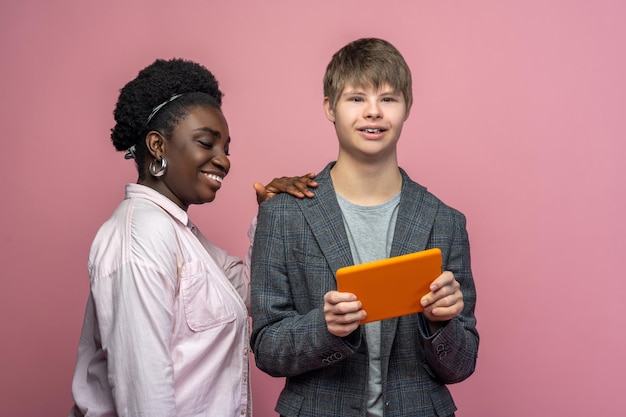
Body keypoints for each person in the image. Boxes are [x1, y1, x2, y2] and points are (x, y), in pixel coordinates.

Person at [68, 58, 316, 417]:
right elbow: (145, 398)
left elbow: (247, 291)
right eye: (206, 143)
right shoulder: (141, 236)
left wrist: (269, 218)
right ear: (157, 145)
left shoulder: (181, 236)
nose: (224, 161)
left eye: (226, 149)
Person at [250, 38, 479, 417]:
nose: (373, 112)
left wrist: (441, 324)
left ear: (407, 108)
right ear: (330, 108)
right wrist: (324, 328)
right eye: (356, 98)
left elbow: (462, 363)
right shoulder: (283, 216)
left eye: (388, 99)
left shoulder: (446, 222)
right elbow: (267, 349)